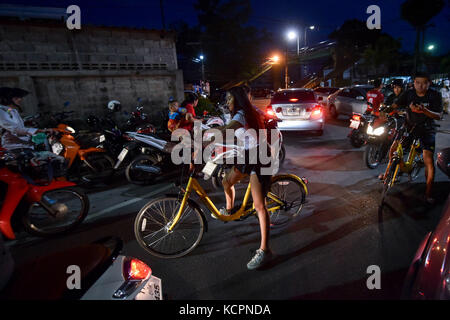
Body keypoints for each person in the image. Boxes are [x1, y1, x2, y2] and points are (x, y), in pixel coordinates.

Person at [207, 86, 273, 270]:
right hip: (247, 155)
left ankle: (265, 249)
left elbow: (228, 129)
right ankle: (229, 209)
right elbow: (226, 128)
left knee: (259, 206)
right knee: (226, 181)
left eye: (230, 99)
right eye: (226, 99)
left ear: (238, 99)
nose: (227, 102)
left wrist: (203, 141)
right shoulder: (244, 113)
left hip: (259, 158)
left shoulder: (242, 114)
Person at [378, 72, 443, 204]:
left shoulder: (435, 95)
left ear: (429, 83)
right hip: (409, 126)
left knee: (428, 160)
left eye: (424, 82)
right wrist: (385, 111)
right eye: (417, 82)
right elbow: (395, 105)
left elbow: (439, 115)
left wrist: (425, 111)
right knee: (393, 149)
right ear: (413, 83)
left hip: (427, 129)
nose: (420, 85)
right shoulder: (408, 93)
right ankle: (386, 176)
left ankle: (428, 194)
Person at [0, 87, 55, 152]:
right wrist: (42, 130)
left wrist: (37, 134)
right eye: (16, 98)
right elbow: (16, 129)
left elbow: (21, 128)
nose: (20, 99)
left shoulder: (12, 111)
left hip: (23, 144)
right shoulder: (1, 111)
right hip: (11, 148)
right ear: (6, 99)